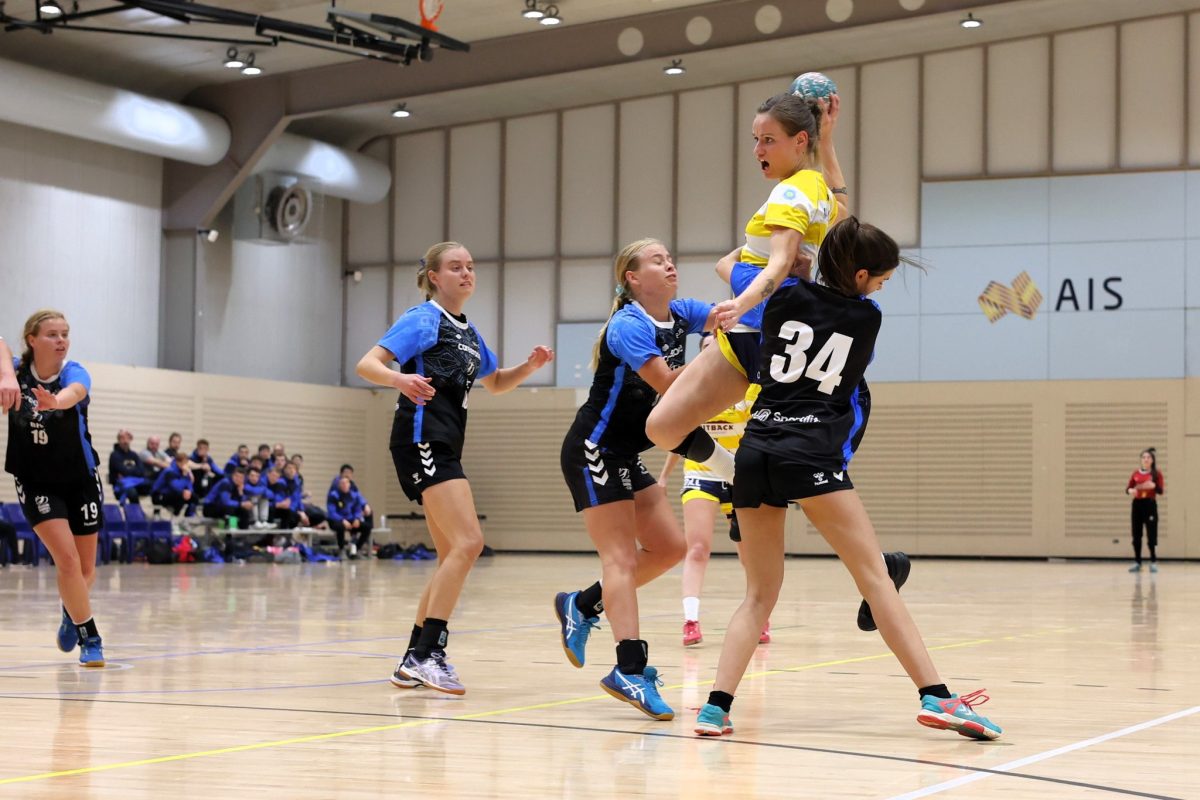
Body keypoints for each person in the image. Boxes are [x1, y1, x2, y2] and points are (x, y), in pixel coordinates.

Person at [693, 218, 1002, 741]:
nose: (882, 287)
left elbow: (731, 266)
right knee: (876, 578)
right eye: (879, 277)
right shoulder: (866, 317)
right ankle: (938, 698)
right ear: (860, 276)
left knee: (758, 596)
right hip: (811, 453)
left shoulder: (781, 295)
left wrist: (785, 256)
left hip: (756, 450)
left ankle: (714, 710)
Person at [356, 241, 553, 695]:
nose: (466, 273)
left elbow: (496, 382)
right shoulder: (423, 318)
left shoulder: (466, 330)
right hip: (422, 437)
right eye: (455, 267)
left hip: (445, 442)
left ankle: (412, 660)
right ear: (433, 276)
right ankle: (429, 654)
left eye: (470, 267)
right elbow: (368, 363)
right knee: (469, 542)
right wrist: (399, 379)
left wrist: (529, 365)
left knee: (453, 554)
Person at [553, 238, 718, 721]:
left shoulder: (681, 311)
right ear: (632, 278)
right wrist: (713, 359)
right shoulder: (628, 325)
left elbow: (730, 317)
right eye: (657, 260)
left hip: (625, 451)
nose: (670, 264)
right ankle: (630, 668)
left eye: (670, 258)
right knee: (620, 558)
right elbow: (671, 386)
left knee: (669, 548)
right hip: (594, 449)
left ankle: (581, 604)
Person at [645, 92, 847, 477]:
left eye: (768, 139)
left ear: (800, 140)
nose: (758, 150)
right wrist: (828, 139)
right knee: (669, 425)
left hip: (752, 329)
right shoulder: (816, 187)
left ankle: (738, 477)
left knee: (662, 425)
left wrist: (739, 294)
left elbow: (780, 264)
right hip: (787, 334)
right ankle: (747, 479)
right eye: (755, 139)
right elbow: (844, 210)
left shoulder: (789, 192)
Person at [0, 310, 107, 666]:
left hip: (79, 477)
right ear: (32, 339)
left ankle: (70, 612)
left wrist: (55, 401)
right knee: (67, 560)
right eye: (52, 334)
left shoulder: (73, 371)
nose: (61, 340)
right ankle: (89, 635)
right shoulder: (15, 371)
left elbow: (76, 392)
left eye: (65, 334)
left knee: (85, 570)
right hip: (36, 480)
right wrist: (6, 375)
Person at [657, 359, 769, 646]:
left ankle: (760, 615)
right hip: (701, 475)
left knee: (749, 555)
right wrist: (663, 478)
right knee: (697, 549)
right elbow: (680, 436)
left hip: (736, 476)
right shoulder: (694, 393)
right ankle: (691, 620)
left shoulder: (745, 389)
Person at [1126, 448, 1164, 573]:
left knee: (1151, 534)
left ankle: (1153, 561)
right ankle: (1138, 562)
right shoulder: (1135, 473)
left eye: (1148, 457)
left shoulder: (1156, 474)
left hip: (1150, 505)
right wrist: (1130, 490)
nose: (1146, 459)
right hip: (1137, 505)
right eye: (1143, 457)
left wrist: (1154, 486)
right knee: (1136, 535)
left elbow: (1160, 491)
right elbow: (1128, 488)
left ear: (1152, 460)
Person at [327, 475, 371, 558]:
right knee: (340, 527)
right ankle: (341, 549)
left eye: (346, 483)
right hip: (336, 520)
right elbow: (332, 512)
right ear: (339, 484)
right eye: (342, 483)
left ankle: (356, 549)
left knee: (367, 527)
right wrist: (342, 520)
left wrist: (357, 518)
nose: (344, 485)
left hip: (351, 519)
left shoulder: (354, 495)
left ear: (349, 484)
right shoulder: (333, 495)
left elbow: (357, 509)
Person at [108, 428, 149, 504]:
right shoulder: (114, 455)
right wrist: (134, 470)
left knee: (152, 486)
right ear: (119, 440)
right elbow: (122, 470)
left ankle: (156, 512)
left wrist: (129, 471)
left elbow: (142, 471)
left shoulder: (134, 455)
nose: (125, 441)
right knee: (132, 492)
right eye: (123, 438)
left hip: (135, 482)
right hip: (120, 485)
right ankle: (136, 514)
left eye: (127, 438)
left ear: (130, 440)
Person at [151, 451, 196, 516]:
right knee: (181, 495)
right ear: (178, 462)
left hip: (173, 493)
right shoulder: (169, 471)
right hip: (159, 495)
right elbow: (176, 487)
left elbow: (189, 485)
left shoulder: (185, 471)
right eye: (184, 463)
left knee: (194, 497)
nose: (186, 465)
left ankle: (189, 518)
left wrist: (189, 491)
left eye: (187, 463)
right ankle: (175, 516)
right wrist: (184, 476)